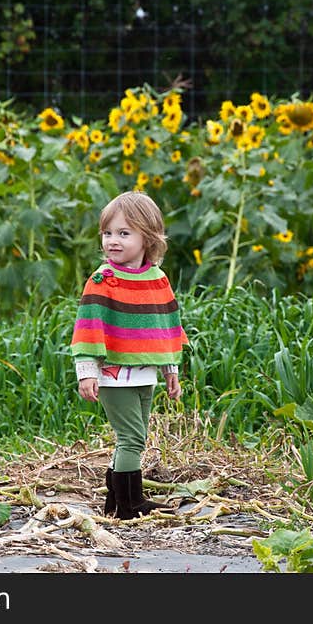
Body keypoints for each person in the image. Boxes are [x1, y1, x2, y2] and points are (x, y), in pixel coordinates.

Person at [70, 190, 188, 520]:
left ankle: (115, 498)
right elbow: (87, 330)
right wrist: (86, 372)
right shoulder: (102, 281)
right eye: (107, 233)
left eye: (124, 233)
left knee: (135, 437)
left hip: (145, 373)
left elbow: (165, 328)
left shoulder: (157, 281)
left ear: (148, 238)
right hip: (112, 375)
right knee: (132, 438)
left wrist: (170, 370)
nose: (113, 241)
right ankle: (129, 504)